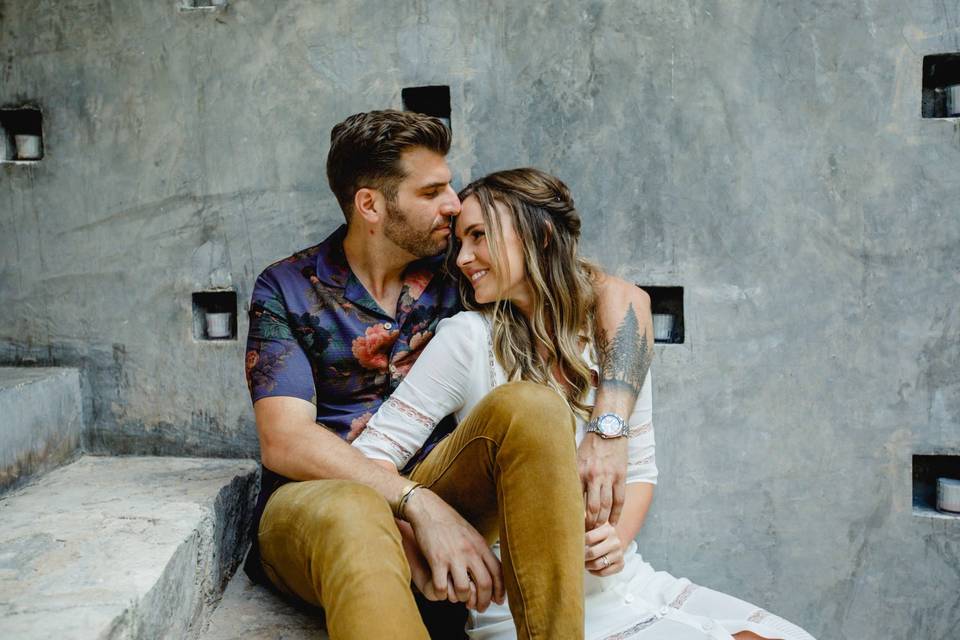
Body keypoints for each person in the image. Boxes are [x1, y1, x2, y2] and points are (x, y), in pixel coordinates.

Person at [353, 168, 817, 640]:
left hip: (629, 582)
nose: (464, 258)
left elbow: (638, 470)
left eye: (479, 236)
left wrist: (616, 541)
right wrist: (425, 544)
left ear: (542, 234)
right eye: (460, 243)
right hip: (520, 607)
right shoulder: (467, 339)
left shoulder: (614, 344)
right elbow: (370, 459)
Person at [243, 111, 654, 639]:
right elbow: (284, 441)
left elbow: (623, 298)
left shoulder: (460, 270)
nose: (454, 204)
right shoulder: (287, 287)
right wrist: (417, 506)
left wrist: (609, 432)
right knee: (354, 511)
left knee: (529, 404)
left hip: (447, 487)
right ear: (370, 204)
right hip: (319, 500)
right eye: (432, 191)